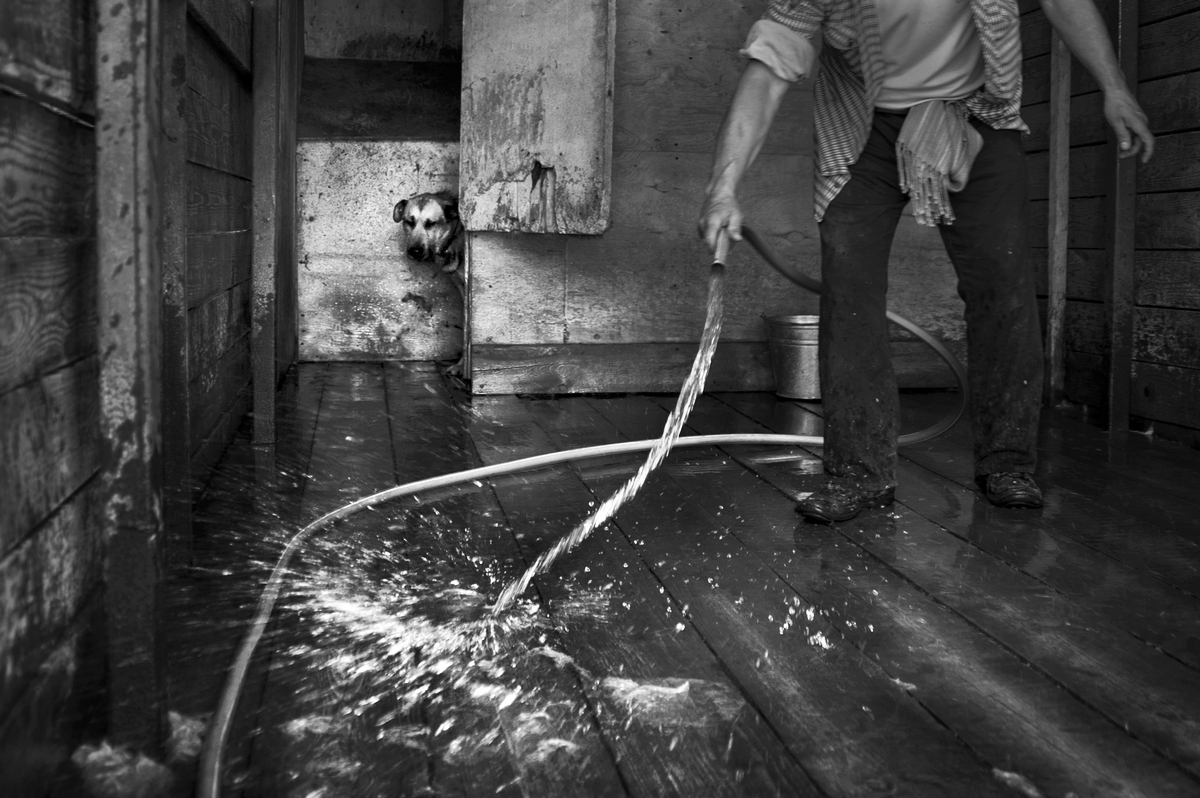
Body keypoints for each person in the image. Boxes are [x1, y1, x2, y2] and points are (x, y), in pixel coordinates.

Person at [699, 0, 1154, 523]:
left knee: (1001, 285)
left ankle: (1007, 462)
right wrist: (724, 186)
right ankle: (859, 473)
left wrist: (1115, 87)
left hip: (976, 116)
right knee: (850, 286)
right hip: (866, 128)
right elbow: (769, 68)